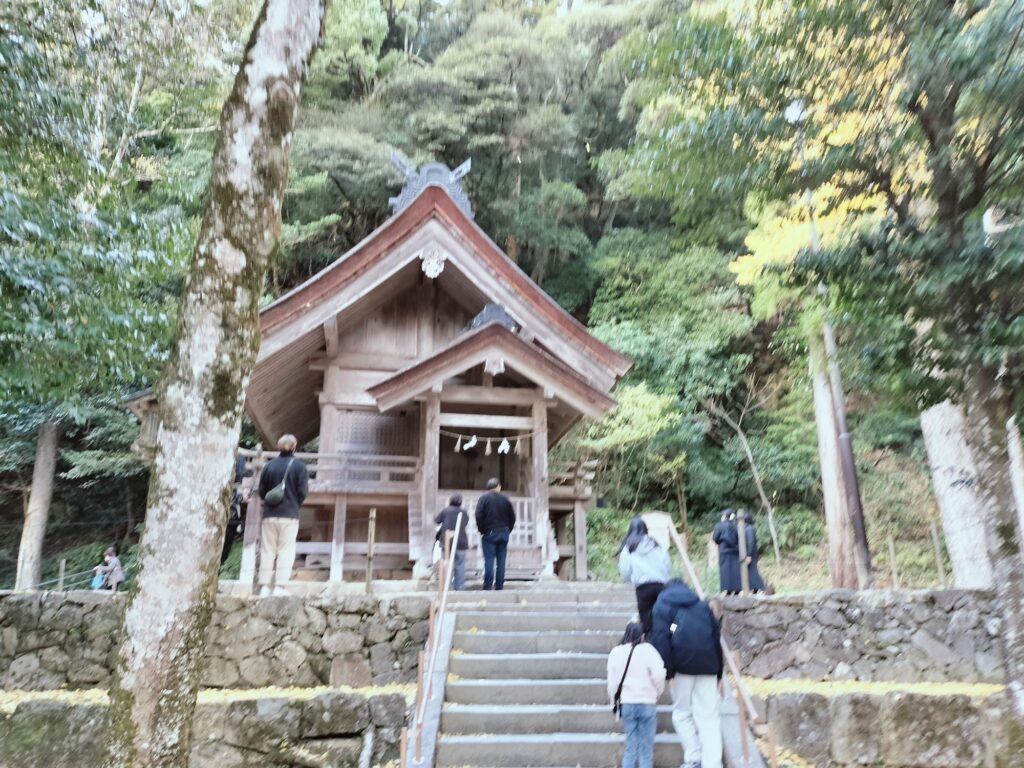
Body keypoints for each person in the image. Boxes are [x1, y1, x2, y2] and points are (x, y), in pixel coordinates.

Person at [649, 579, 724, 768]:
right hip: (708, 665)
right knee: (708, 717)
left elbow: (662, 638)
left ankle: (693, 758)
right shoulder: (701, 605)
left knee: (682, 713)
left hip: (681, 667)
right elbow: (715, 636)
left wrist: (668, 671)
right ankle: (713, 764)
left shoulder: (662, 605)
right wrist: (719, 673)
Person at [607, 622, 666, 768]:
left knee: (631, 748)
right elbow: (659, 675)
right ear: (642, 636)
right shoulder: (649, 650)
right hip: (647, 703)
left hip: (627, 703)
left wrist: (614, 703)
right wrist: (658, 692)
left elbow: (612, 685)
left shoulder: (616, 653)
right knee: (646, 750)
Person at [257, 434, 308, 596]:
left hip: (270, 514)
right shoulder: (300, 467)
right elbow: (303, 492)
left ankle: (264, 586)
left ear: (279, 447)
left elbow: (262, 491)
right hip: (290, 515)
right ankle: (280, 587)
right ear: (294, 446)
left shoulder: (269, 466)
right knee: (286, 550)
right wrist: (295, 504)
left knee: (267, 550)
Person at [618, 517, 672, 636]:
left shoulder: (629, 547)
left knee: (646, 619)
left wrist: (630, 580)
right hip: (661, 585)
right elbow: (667, 564)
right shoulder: (657, 545)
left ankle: (649, 640)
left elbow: (625, 570)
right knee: (662, 617)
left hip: (643, 588)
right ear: (645, 529)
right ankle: (665, 639)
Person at [474, 477, 516, 590]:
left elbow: (478, 515)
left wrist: (482, 530)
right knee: (501, 562)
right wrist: (508, 530)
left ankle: (488, 586)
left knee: (489, 560)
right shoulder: (505, 499)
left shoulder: (483, 499)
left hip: (489, 532)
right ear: (498, 486)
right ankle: (499, 586)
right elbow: (512, 517)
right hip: (504, 532)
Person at [435, 493, 470, 590]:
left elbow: (437, 520)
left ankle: (447, 587)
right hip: (461, 542)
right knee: (460, 565)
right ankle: (460, 588)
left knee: (447, 565)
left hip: (447, 543)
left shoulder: (445, 511)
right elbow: (466, 523)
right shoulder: (463, 512)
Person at [222, 453, 251, 565]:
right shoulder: (238, 486)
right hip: (231, 520)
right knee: (224, 552)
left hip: (231, 520)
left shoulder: (237, 486)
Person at [712, 509, 741, 595]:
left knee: (725, 570)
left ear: (724, 517)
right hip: (735, 551)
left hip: (723, 550)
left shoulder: (719, 526)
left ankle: (727, 590)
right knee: (735, 570)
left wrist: (720, 542)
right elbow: (739, 538)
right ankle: (737, 590)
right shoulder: (735, 526)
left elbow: (715, 538)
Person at [740, 510, 767, 593]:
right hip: (752, 553)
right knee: (751, 572)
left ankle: (764, 587)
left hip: (751, 554)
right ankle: (755, 589)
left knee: (753, 572)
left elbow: (751, 543)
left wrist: (749, 555)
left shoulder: (749, 529)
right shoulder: (748, 528)